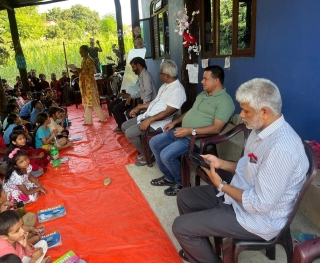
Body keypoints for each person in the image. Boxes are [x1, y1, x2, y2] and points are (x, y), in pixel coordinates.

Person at [172, 78, 309, 263]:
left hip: (257, 219)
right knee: (185, 197)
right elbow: (247, 165)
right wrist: (220, 163)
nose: (241, 115)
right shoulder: (259, 129)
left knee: (180, 227)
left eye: (246, 111)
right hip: (239, 197)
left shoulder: (281, 149)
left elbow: (260, 204)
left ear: (264, 112)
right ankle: (200, 248)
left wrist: (221, 185)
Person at [149, 65, 235, 195]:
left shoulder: (225, 101)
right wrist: (175, 122)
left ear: (216, 81)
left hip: (196, 139)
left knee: (166, 155)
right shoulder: (202, 94)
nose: (202, 81)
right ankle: (169, 177)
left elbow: (216, 128)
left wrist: (190, 131)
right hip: (183, 131)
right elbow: (191, 111)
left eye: (205, 79)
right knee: (154, 142)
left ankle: (181, 183)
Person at [121, 60, 186, 163]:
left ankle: (148, 153)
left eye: (160, 72)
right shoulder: (165, 86)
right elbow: (155, 102)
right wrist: (139, 107)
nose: (159, 74)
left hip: (158, 122)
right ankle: (146, 148)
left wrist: (150, 120)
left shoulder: (177, 90)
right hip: (149, 115)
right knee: (124, 126)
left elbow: (168, 112)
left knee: (130, 133)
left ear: (166, 75)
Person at [111, 57, 157, 133]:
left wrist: (143, 106)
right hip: (145, 102)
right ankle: (125, 127)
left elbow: (148, 92)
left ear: (138, 65)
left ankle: (132, 130)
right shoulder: (141, 76)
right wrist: (130, 96)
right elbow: (142, 92)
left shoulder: (145, 76)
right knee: (127, 111)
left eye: (133, 67)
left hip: (150, 104)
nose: (132, 70)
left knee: (131, 112)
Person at [77, 45, 107, 125]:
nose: (80, 53)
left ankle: (97, 119)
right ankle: (94, 119)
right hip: (85, 84)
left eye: (82, 52)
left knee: (91, 102)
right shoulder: (84, 60)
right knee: (89, 102)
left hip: (89, 84)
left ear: (86, 51)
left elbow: (91, 72)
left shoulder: (89, 60)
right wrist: (79, 71)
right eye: (80, 52)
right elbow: (84, 71)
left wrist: (80, 71)